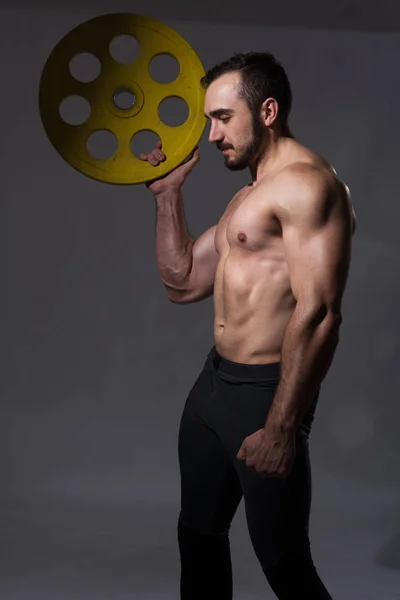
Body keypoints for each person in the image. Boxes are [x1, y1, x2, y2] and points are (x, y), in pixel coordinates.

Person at [141, 52, 356, 600]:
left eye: (221, 117)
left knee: (285, 565)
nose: (210, 135)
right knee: (198, 538)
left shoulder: (308, 187)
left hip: (265, 399)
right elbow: (183, 281)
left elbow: (320, 313)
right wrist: (168, 196)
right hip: (213, 390)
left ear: (266, 111)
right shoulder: (250, 195)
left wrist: (283, 427)